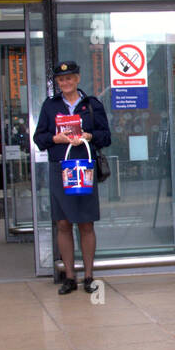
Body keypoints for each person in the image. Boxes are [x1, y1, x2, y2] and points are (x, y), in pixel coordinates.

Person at [33, 60, 111, 294]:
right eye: (61, 79)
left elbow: (106, 136)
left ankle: (88, 276)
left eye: (69, 78)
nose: (65, 82)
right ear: (57, 82)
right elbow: (39, 138)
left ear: (77, 79)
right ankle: (69, 277)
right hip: (61, 168)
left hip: (84, 167)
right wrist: (54, 139)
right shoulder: (50, 106)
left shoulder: (91, 104)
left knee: (86, 222)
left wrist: (88, 135)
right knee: (63, 223)